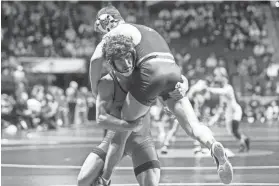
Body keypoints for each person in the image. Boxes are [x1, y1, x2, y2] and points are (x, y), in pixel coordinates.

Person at [90, 5, 233, 185]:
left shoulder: (118, 33)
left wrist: (94, 89)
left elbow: (95, 59)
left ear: (107, 22)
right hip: (173, 71)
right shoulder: (148, 31)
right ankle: (212, 145)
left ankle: (105, 179)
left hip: (151, 72)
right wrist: (184, 83)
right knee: (193, 125)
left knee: (121, 133)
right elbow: (166, 65)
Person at [78, 70, 164, 186]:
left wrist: (182, 86)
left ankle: (105, 179)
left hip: (141, 140)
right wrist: (129, 126)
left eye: (128, 58)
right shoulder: (107, 82)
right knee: (83, 181)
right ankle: (105, 180)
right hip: (113, 138)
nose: (126, 63)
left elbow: (173, 78)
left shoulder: (144, 75)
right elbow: (101, 118)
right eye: (120, 60)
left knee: (151, 184)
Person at [205, 67, 250, 152]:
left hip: (236, 111)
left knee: (234, 130)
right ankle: (245, 139)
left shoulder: (229, 88)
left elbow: (222, 91)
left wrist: (209, 89)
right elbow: (221, 106)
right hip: (229, 113)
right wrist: (213, 120)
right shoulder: (223, 91)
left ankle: (242, 144)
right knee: (232, 132)